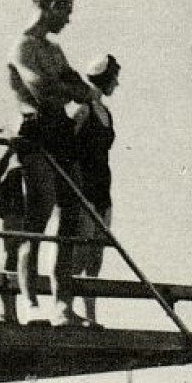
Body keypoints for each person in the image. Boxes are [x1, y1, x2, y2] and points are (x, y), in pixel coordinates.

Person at [7, 0, 92, 326]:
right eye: (66, 11)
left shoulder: (55, 51)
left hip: (60, 132)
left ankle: (63, 304)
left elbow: (83, 90)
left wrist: (67, 89)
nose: (68, 20)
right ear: (54, 5)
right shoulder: (23, 45)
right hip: (36, 132)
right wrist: (67, 90)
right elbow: (40, 90)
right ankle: (30, 302)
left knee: (69, 220)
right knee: (38, 217)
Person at [71, 54, 119, 324]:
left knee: (96, 255)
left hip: (103, 186)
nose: (117, 83)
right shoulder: (84, 110)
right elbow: (70, 147)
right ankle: (68, 305)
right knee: (80, 251)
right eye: (114, 78)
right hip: (85, 185)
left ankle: (90, 313)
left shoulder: (105, 112)